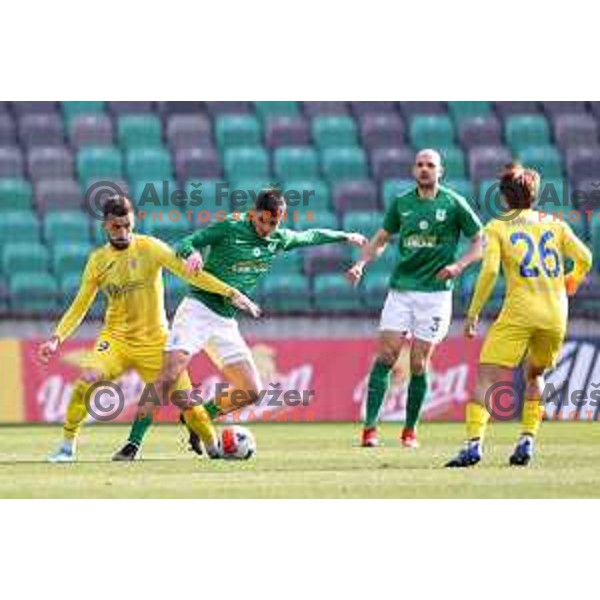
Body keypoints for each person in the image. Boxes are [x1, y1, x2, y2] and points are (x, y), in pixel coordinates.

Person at [112, 186, 368, 460]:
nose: (268, 228)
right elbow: (186, 243)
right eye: (263, 221)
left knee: (251, 390)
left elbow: (309, 236)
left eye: (274, 223)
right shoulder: (230, 226)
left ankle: (197, 419)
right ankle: (133, 444)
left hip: (225, 321)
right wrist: (192, 254)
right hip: (197, 309)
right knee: (168, 375)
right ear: (253, 214)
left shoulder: (277, 239)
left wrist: (345, 236)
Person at [39, 195, 260, 463]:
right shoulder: (98, 261)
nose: (123, 232)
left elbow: (190, 273)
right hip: (116, 340)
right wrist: (56, 338)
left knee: (188, 403)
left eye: (127, 225)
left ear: (133, 222)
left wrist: (229, 291)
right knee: (88, 379)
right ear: (105, 226)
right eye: (116, 227)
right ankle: (66, 447)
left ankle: (214, 448)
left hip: (157, 341)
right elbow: (80, 305)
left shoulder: (151, 248)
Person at [446, 163, 593, 468]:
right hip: (555, 314)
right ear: (534, 194)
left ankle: (473, 445)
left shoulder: (498, 227)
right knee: (535, 375)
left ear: (503, 197)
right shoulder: (555, 224)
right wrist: (572, 279)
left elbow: (488, 272)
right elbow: (586, 258)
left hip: (520, 311)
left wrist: (473, 312)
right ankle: (527, 440)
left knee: (487, 376)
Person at [347, 149, 483, 448]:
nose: (424, 169)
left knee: (419, 363)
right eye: (420, 165)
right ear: (413, 170)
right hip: (401, 291)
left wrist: (458, 266)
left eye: (430, 165)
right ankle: (369, 429)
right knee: (386, 356)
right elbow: (381, 239)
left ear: (440, 171)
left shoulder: (453, 203)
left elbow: (479, 241)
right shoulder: (402, 203)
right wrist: (361, 263)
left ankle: (410, 431)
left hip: (435, 296)